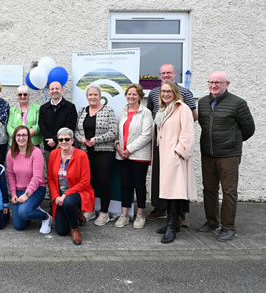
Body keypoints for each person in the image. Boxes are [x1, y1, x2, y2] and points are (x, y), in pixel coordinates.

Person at [197, 71, 255, 242]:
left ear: (227, 84)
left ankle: (228, 227)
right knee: (209, 188)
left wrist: (232, 141)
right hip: (208, 153)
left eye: (218, 82)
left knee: (229, 191)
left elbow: (249, 129)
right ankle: (212, 221)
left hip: (229, 154)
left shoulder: (238, 103)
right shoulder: (203, 102)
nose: (214, 85)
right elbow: (204, 124)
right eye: (211, 82)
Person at [146, 64, 197, 224]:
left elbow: (191, 120)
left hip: (174, 146)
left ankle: (178, 218)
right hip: (160, 143)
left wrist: (179, 149)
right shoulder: (156, 96)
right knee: (162, 180)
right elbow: (151, 115)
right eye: (163, 73)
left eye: (169, 72)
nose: (166, 75)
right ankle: (163, 210)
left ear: (174, 74)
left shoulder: (184, 96)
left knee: (176, 183)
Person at [153, 81, 197, 244]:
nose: (165, 94)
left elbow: (188, 133)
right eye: (163, 91)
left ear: (175, 92)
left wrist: (179, 151)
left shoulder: (182, 108)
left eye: (169, 91)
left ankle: (172, 225)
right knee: (170, 191)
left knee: (175, 192)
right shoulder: (163, 110)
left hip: (175, 157)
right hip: (165, 156)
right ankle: (172, 224)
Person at [74, 84, 117, 226]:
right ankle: (90, 209)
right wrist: (82, 140)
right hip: (86, 152)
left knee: (104, 181)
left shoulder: (109, 111)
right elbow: (75, 131)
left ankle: (104, 213)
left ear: (100, 96)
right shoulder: (82, 111)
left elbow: (113, 132)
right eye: (90, 95)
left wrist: (95, 140)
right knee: (88, 182)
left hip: (104, 152)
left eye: (95, 95)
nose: (93, 97)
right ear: (87, 97)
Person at [114, 84, 152, 229]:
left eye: (134, 94)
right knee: (126, 185)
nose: (131, 97)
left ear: (140, 96)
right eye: (129, 94)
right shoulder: (123, 112)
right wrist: (118, 147)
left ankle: (140, 214)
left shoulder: (146, 113)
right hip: (122, 156)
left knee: (139, 186)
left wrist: (128, 149)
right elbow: (118, 133)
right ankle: (124, 215)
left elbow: (147, 135)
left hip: (138, 156)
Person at [48, 127, 95, 245]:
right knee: (61, 231)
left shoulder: (81, 155)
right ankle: (77, 214)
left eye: (67, 139)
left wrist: (65, 195)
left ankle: (75, 229)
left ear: (72, 140)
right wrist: (55, 196)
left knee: (68, 202)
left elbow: (85, 181)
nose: (63, 142)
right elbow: (50, 178)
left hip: (78, 192)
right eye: (60, 140)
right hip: (60, 195)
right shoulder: (54, 154)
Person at [6, 126, 51, 233]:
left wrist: (27, 195)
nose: (21, 138)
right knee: (19, 225)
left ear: (28, 137)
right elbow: (10, 175)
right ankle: (31, 209)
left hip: (36, 189)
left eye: (24, 135)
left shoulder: (36, 152)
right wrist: (13, 194)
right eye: (18, 135)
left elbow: (37, 177)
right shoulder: (10, 153)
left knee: (24, 212)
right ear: (14, 137)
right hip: (18, 190)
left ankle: (46, 217)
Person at [38, 81, 77, 162]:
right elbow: (42, 125)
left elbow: (70, 126)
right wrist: (50, 140)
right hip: (49, 146)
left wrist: (55, 140)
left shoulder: (70, 107)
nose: (54, 91)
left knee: (67, 171)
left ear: (62, 90)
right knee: (51, 171)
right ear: (49, 91)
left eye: (57, 88)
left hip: (65, 145)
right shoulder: (43, 108)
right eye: (52, 89)